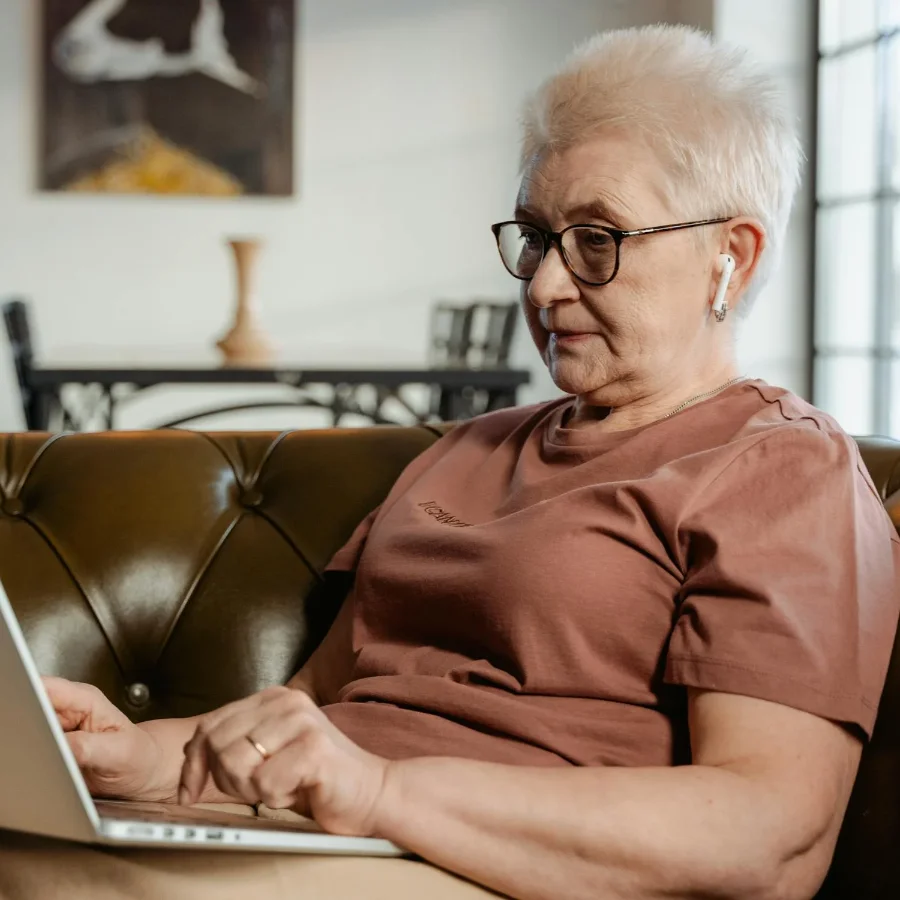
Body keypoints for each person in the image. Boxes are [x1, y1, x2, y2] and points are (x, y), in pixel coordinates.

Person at [5, 23, 900, 900]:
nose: (545, 286)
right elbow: (316, 714)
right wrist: (139, 756)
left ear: (729, 260)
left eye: (598, 240)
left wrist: (385, 796)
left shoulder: (782, 470)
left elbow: (770, 837)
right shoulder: (466, 449)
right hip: (328, 846)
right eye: (537, 238)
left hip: (487, 868)